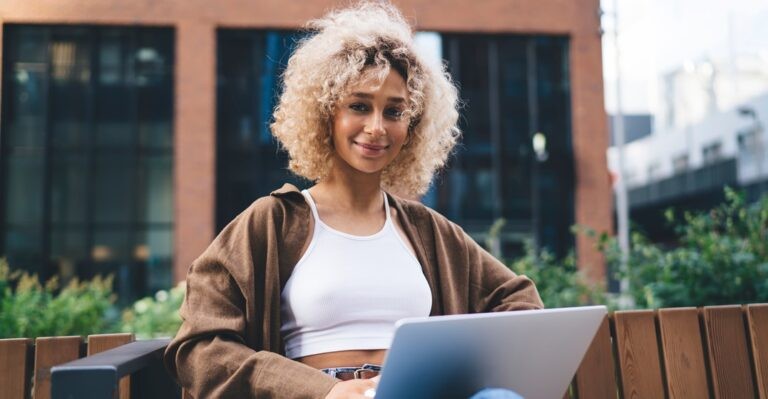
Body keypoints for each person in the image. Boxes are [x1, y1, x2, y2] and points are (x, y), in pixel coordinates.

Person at [164, 2, 543, 398]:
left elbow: (519, 302)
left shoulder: (427, 231)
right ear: (325, 113)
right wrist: (324, 391)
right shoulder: (271, 223)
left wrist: (448, 371)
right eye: (359, 106)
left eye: (394, 111)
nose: (377, 128)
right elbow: (200, 349)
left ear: (412, 126)